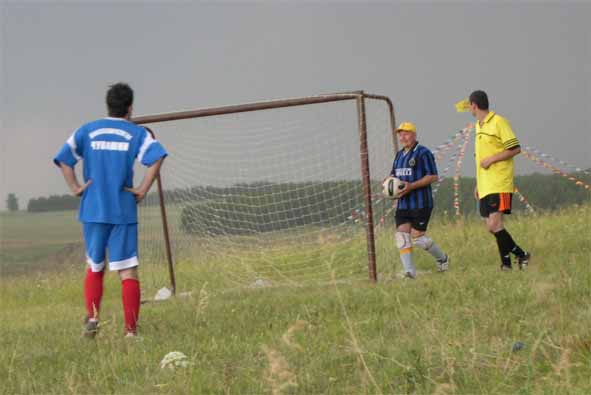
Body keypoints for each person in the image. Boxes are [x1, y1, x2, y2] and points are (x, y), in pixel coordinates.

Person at [53, 82, 167, 337]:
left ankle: (93, 319)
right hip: (122, 209)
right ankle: (130, 332)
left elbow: (63, 159)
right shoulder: (135, 133)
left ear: (107, 105)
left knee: (95, 265)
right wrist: (142, 188)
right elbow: (157, 156)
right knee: (127, 270)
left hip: (93, 207)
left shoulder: (87, 130)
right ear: (130, 107)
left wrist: (75, 187)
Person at [469, 90, 530, 271]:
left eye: (470, 106)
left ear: (474, 105)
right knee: (491, 226)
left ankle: (510, 263)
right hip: (485, 184)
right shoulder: (478, 126)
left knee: (495, 224)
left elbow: (515, 148)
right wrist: (478, 183)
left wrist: (492, 159)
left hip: (499, 182)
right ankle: (517, 257)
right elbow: (481, 157)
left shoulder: (499, 122)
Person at [388, 121, 449, 278]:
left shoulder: (423, 153)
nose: (403, 136)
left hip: (421, 203)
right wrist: (389, 187)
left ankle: (442, 258)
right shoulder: (399, 155)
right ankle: (409, 272)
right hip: (403, 204)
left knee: (418, 238)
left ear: (414, 135)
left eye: (406, 133)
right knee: (401, 236)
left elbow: (433, 176)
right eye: (400, 133)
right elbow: (393, 176)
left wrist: (411, 186)